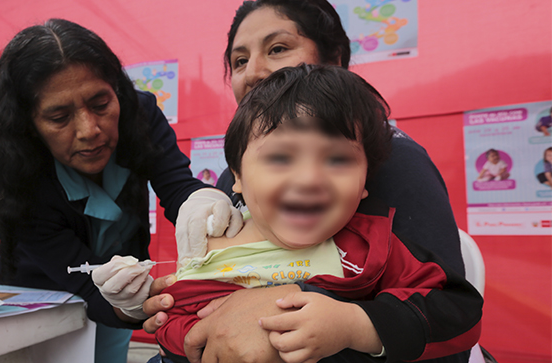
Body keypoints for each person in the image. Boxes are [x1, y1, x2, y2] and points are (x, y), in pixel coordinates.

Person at [137, 1, 472, 362]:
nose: (253, 72)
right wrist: (160, 310)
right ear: (237, 176)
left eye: (277, 48)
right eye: (239, 61)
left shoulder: (389, 185)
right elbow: (180, 316)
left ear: (334, 60)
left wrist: (342, 320)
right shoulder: (227, 188)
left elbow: (448, 313)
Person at [0, 19, 241, 363]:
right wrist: (134, 306)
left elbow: (177, 188)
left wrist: (202, 203)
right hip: (39, 302)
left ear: (117, 90)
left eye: (100, 104)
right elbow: (88, 288)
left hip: (119, 294)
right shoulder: (19, 178)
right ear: (27, 125)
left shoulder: (139, 116)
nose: (89, 130)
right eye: (59, 117)